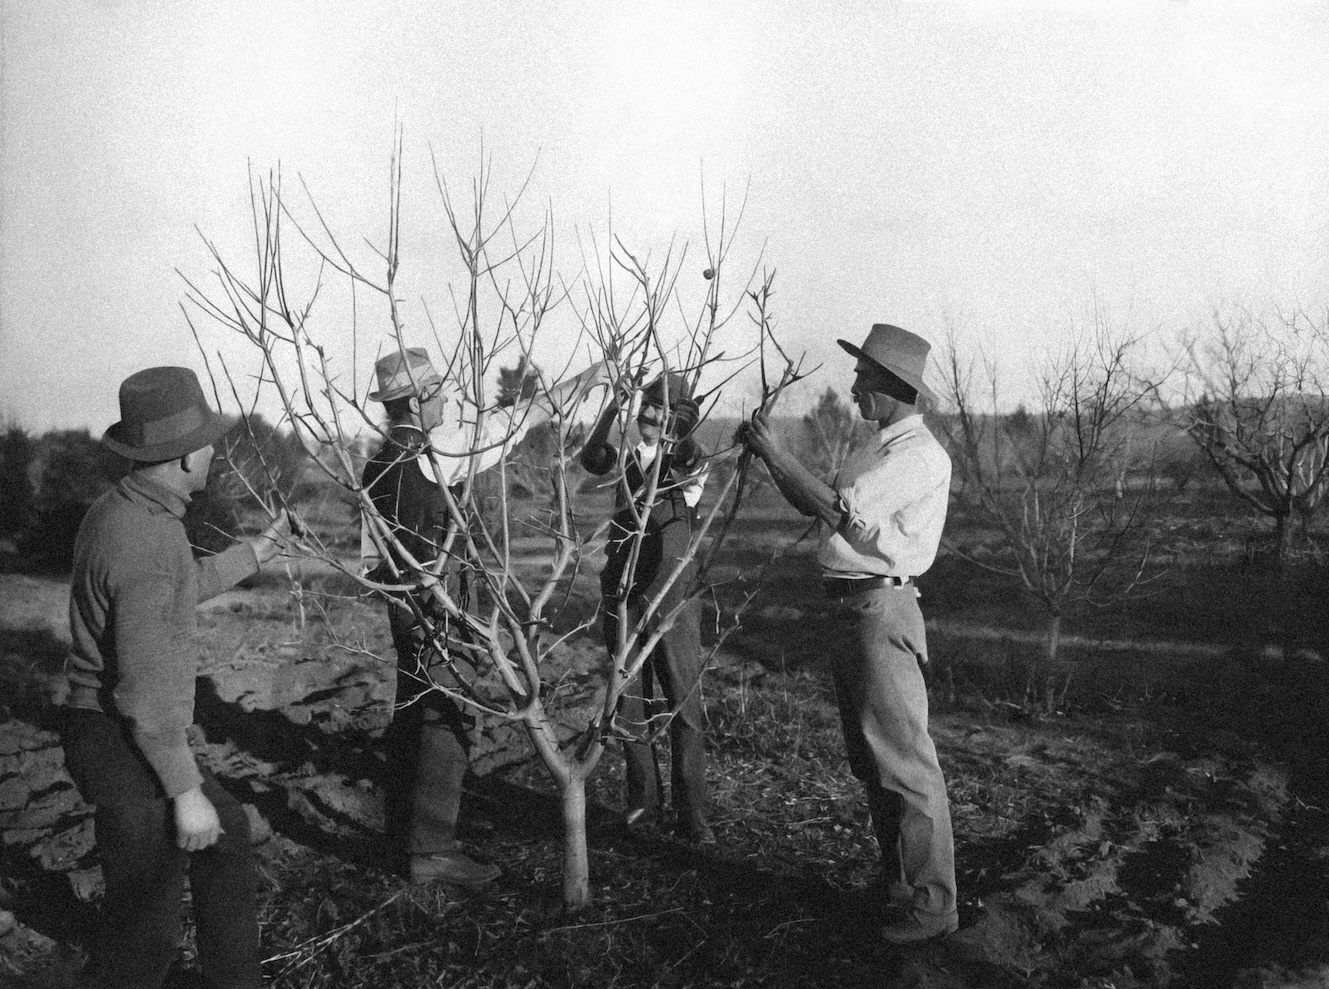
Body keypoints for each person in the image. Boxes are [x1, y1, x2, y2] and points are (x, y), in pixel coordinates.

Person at [62, 365, 292, 989]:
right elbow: (142, 690)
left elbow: (171, 590)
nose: (217, 448)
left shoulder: (123, 510)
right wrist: (185, 792)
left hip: (109, 724)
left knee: (227, 834)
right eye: (211, 440)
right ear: (188, 457)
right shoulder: (146, 541)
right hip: (117, 734)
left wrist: (254, 554)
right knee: (147, 931)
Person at [739, 324, 959, 945]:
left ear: (891, 386)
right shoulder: (877, 449)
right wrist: (767, 453)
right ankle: (900, 884)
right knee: (873, 759)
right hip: (851, 610)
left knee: (906, 763)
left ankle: (933, 904)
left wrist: (777, 452)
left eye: (864, 376)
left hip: (879, 611)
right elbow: (819, 506)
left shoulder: (919, 456)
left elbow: (840, 511)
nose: (855, 385)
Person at [361, 346, 607, 884]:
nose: (447, 397)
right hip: (434, 598)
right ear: (418, 400)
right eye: (438, 392)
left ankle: (405, 837)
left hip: (402, 597)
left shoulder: (378, 462)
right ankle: (431, 851)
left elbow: (370, 555)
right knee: (446, 714)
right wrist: (587, 379)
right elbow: (518, 418)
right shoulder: (431, 456)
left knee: (414, 706)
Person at [580, 371, 714, 845]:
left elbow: (686, 458)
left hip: (672, 599)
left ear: (679, 418)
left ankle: (692, 813)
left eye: (662, 409)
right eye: (646, 407)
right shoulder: (624, 460)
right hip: (624, 596)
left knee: (683, 702)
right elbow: (590, 457)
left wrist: (681, 432)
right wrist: (611, 411)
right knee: (628, 702)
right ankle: (643, 803)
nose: (650, 416)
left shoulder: (687, 463)